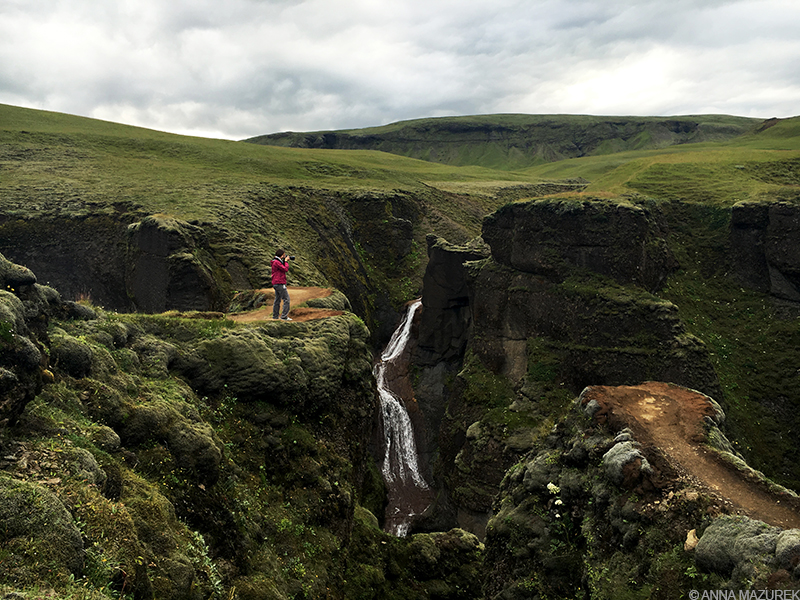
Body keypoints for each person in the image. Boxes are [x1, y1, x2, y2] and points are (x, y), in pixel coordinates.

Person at [271, 249, 292, 320]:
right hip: (279, 282)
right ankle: (284, 316)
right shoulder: (277, 262)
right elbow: (285, 269)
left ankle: (275, 316)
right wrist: (285, 261)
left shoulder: (275, 261)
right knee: (286, 299)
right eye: (284, 254)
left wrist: (283, 261)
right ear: (282, 255)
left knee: (277, 300)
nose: (285, 255)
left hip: (276, 282)